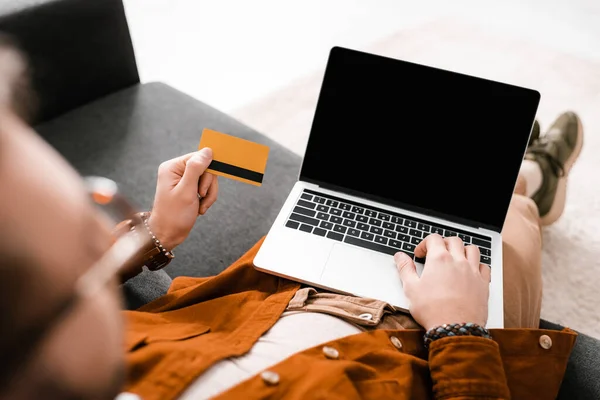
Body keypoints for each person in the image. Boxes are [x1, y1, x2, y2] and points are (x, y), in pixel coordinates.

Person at [0, 41, 583, 400]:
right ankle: (532, 177)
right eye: (87, 238)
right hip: (426, 343)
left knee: (439, 191)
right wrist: (458, 331)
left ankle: (519, 169)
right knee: (506, 218)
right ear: (49, 344)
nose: (101, 248)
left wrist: (157, 232)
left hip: (274, 293)